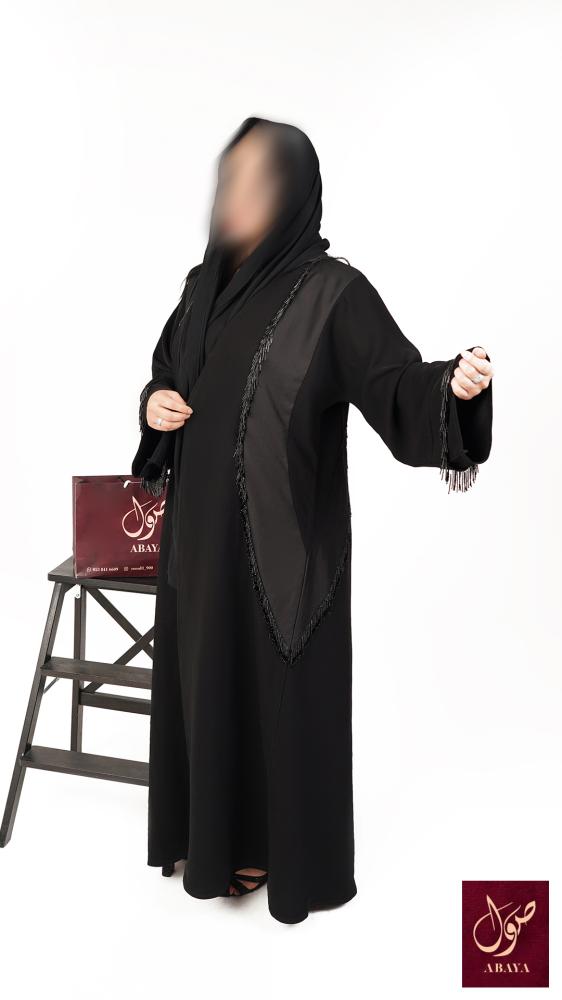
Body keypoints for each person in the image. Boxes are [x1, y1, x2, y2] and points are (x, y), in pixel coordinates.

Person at [131, 116, 494, 924]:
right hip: (197, 541)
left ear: (294, 191)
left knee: (274, 689)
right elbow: (165, 372)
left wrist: (452, 388)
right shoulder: (200, 287)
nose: (237, 195)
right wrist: (153, 403)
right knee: (205, 676)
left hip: (282, 546)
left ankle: (269, 849)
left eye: (258, 180)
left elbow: (395, 383)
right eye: (231, 177)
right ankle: (206, 839)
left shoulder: (333, 293)